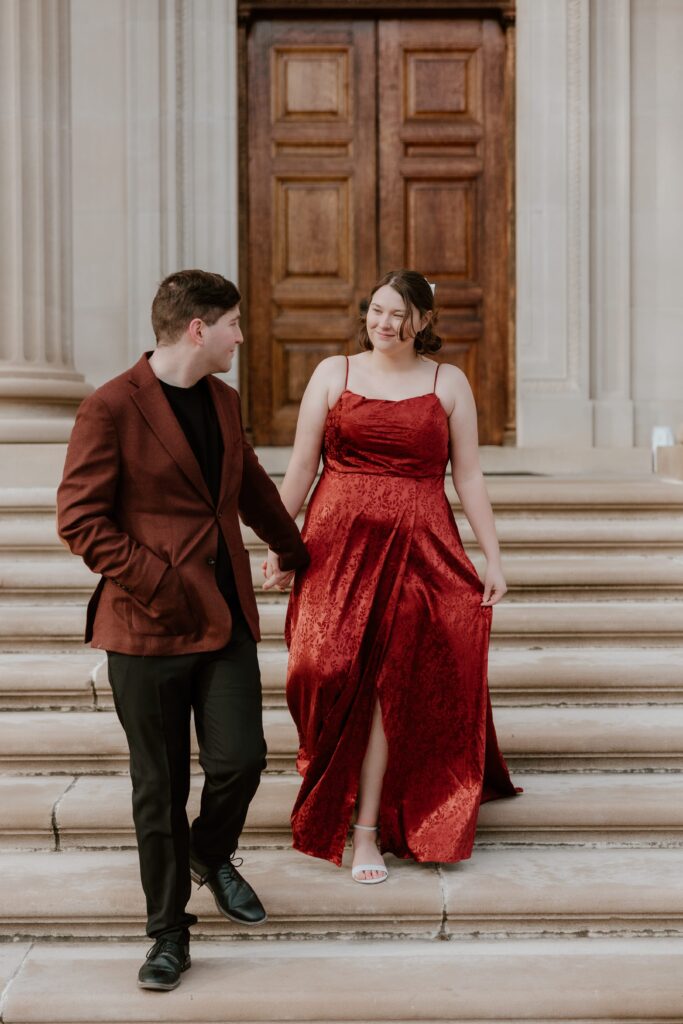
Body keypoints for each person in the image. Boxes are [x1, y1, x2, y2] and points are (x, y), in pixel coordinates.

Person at [57, 270, 308, 990]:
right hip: (146, 624)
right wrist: (159, 583)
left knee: (242, 761)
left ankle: (208, 852)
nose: (239, 335)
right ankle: (168, 934)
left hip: (224, 613)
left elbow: (250, 485)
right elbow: (79, 521)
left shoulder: (224, 401)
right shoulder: (109, 407)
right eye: (232, 323)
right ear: (198, 329)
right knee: (157, 787)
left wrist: (295, 551)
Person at [264, 269, 518, 884]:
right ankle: (332, 776)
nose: (385, 323)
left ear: (423, 323)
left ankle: (366, 831)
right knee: (317, 667)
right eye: (377, 310)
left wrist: (494, 556)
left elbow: (471, 477)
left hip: (420, 544)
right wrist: (279, 540)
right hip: (335, 543)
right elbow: (300, 465)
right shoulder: (333, 373)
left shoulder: (447, 382)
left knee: (385, 685)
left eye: (400, 314)